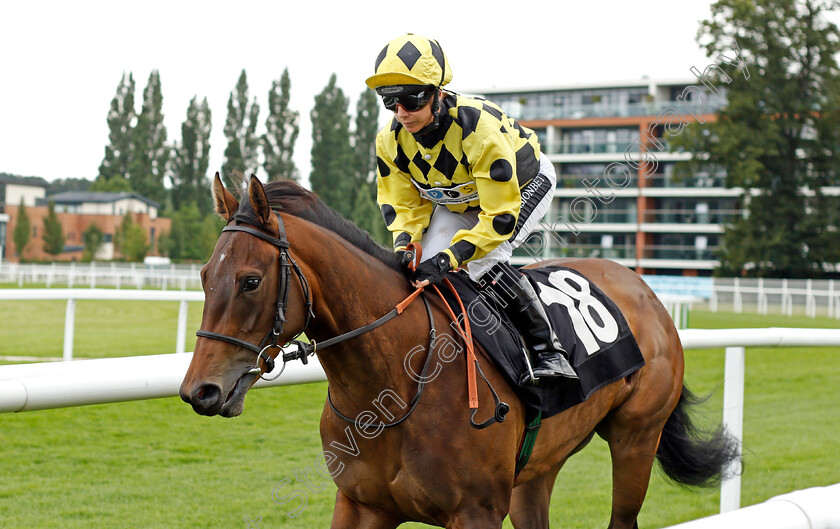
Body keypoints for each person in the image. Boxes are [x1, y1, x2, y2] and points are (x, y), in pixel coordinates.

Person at [367, 34, 577, 386]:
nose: (401, 113)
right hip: (461, 199)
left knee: (481, 259)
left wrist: (450, 258)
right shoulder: (389, 141)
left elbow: (498, 218)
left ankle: (548, 352)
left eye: (410, 99)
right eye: (390, 102)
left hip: (523, 187)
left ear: (437, 93)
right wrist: (406, 246)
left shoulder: (479, 131)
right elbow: (404, 205)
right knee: (420, 269)